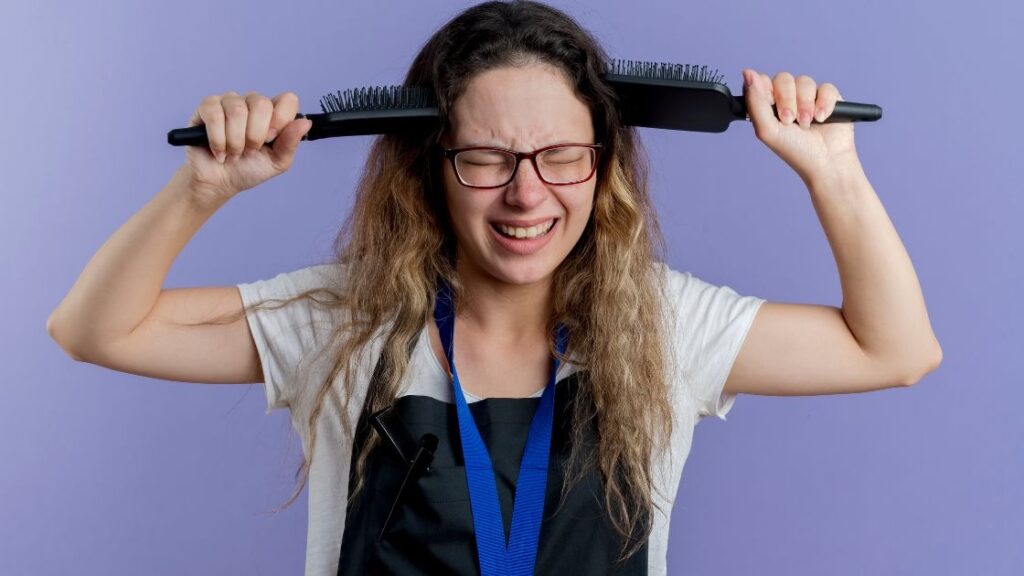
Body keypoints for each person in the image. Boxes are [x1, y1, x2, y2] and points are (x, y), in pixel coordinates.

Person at [46, 1, 943, 575]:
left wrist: (833, 171)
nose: (527, 193)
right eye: (486, 158)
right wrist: (202, 190)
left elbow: (896, 352)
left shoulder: (663, 323)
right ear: (431, 167)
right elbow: (95, 330)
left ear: (602, 165)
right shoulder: (349, 320)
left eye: (562, 156)